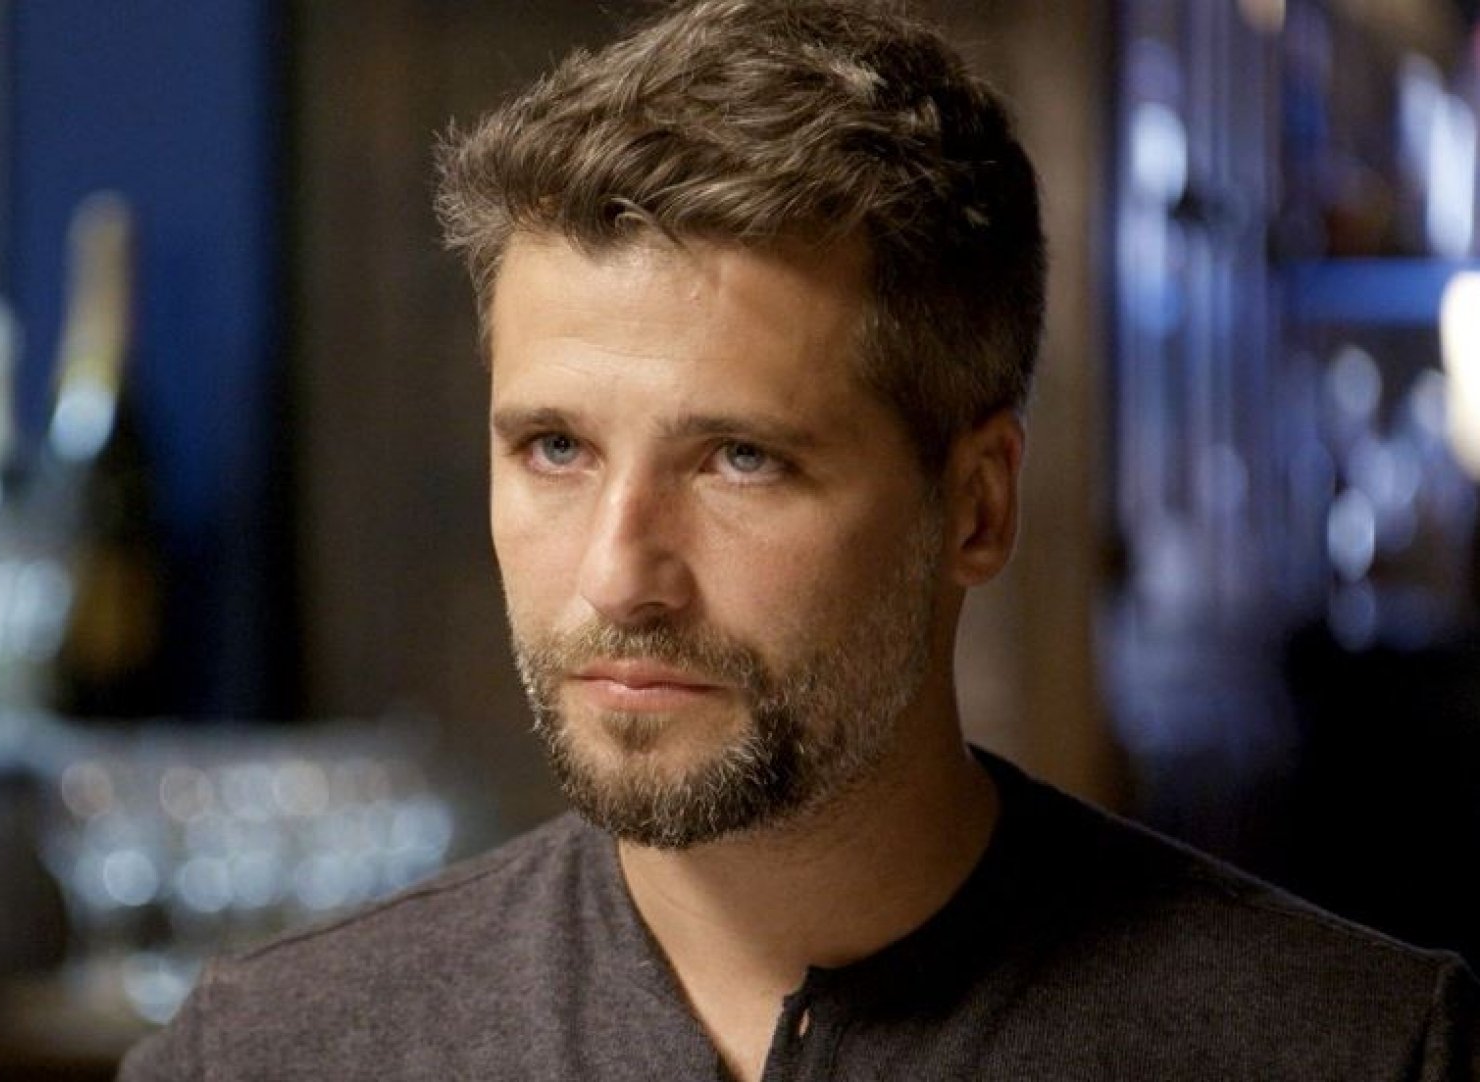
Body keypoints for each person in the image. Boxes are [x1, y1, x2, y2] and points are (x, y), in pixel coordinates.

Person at [121, 2, 1479, 1078]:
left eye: (741, 459)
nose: (617, 576)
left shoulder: (1355, 1051)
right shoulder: (267, 1053)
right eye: (555, 449)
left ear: (977, 506)